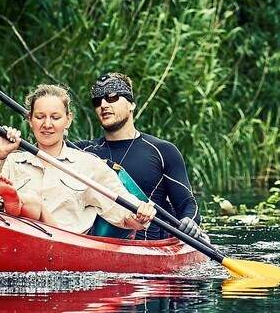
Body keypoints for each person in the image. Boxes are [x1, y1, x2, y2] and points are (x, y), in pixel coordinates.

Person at [0, 83, 156, 234]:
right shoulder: (11, 162)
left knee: (32, 203)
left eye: (55, 117)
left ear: (68, 120)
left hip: (63, 246)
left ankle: (24, 203)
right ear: (30, 119)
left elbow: (124, 213)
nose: (47, 124)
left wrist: (141, 214)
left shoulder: (89, 166)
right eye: (40, 117)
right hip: (15, 238)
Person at [75, 72, 199, 240]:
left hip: (148, 251)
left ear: (131, 104)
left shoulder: (163, 151)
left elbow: (187, 204)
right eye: (97, 101)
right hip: (96, 246)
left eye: (112, 97)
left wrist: (189, 222)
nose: (103, 104)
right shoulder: (82, 151)